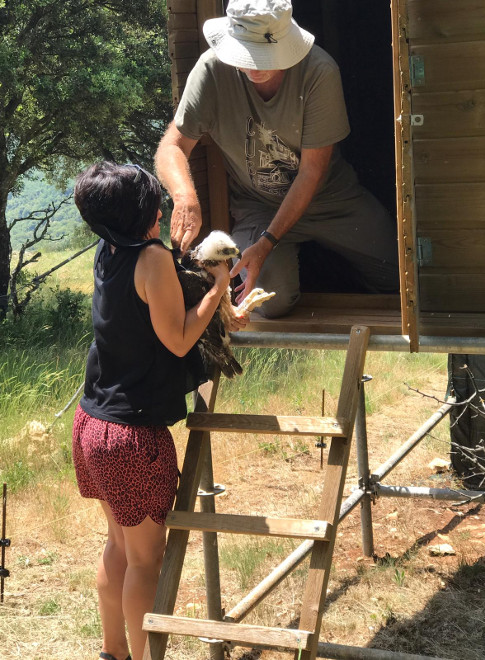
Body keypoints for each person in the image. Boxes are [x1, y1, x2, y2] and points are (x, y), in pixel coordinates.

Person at [71, 162, 245, 660]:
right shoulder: (150, 257)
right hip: (131, 437)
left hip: (92, 424)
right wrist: (219, 287)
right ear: (143, 214)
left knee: (120, 548)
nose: (164, 209)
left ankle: (113, 652)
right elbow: (178, 338)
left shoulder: (108, 250)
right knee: (147, 562)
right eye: (156, 203)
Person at [155, 0, 399, 318]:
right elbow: (172, 145)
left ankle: (327, 270)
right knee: (270, 301)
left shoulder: (319, 71)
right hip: (258, 206)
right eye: (247, 54)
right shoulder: (211, 70)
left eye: (267, 55)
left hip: (332, 200)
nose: (257, 66)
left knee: (402, 276)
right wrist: (185, 196)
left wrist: (268, 243)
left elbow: (312, 171)